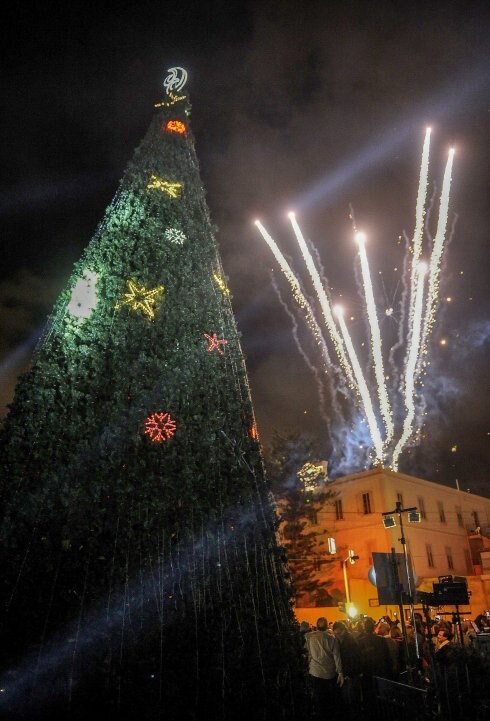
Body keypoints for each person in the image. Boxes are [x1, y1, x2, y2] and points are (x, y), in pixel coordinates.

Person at [305, 617, 344, 719]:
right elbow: (337, 656)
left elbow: (306, 651)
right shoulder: (332, 639)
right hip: (329, 673)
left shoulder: (309, 637)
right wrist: (340, 672)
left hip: (315, 672)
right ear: (327, 626)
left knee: (319, 698)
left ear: (317, 625)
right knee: (330, 699)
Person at [332, 621, 362, 721]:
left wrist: (348, 673)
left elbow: (353, 659)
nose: (337, 636)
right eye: (335, 634)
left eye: (338, 633)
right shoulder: (345, 640)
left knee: (351, 699)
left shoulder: (349, 642)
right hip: (349, 674)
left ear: (343, 631)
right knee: (350, 699)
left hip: (351, 675)